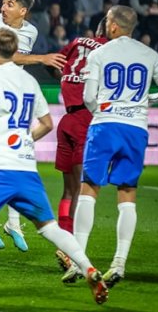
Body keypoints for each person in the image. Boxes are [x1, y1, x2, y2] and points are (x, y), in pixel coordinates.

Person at [0, 29, 108, 305]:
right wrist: (24, 141)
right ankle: (87, 266)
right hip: (25, 168)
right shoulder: (30, 82)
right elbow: (46, 123)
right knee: (49, 227)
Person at [63, 5, 158, 287]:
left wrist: (102, 108)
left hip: (104, 125)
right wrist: (146, 100)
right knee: (127, 193)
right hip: (135, 129)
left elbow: (89, 96)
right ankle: (119, 263)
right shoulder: (150, 55)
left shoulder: (100, 53)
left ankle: (80, 263)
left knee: (88, 190)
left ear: (112, 26)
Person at [0, 0, 68, 251]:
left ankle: (11, 221)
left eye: (9, 4)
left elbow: (17, 62)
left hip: (13, 91)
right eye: (3, 2)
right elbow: (12, 57)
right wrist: (43, 58)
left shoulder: (30, 31)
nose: (3, 8)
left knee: (11, 155)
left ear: (23, 10)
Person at [50, 19, 107, 271]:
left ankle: (62, 242)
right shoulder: (110, 51)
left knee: (69, 190)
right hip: (87, 118)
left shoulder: (76, 42)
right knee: (85, 190)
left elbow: (54, 64)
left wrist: (66, 82)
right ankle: (68, 249)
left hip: (67, 119)